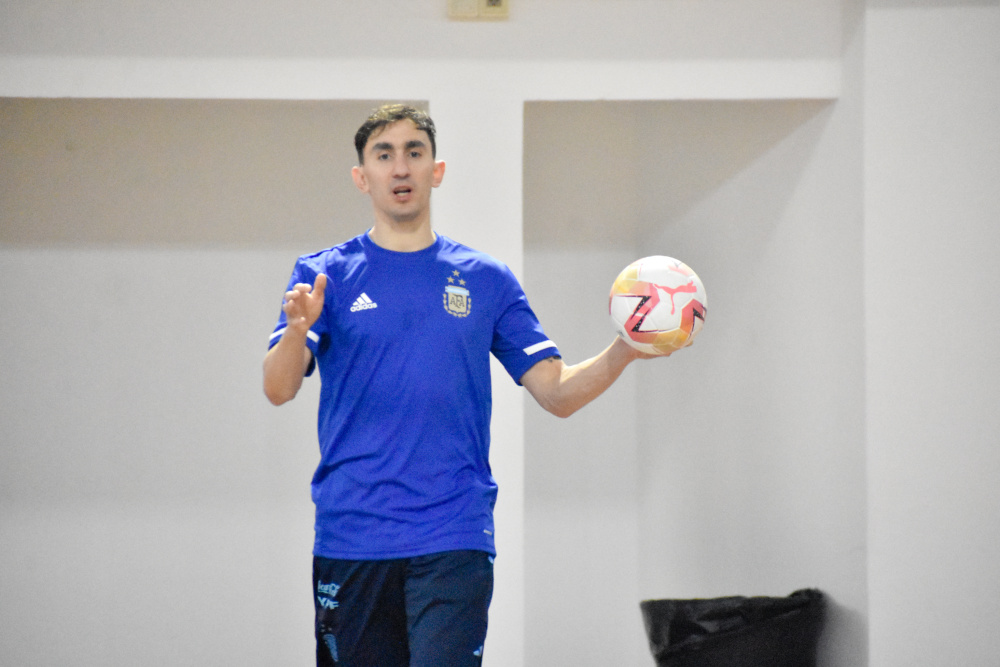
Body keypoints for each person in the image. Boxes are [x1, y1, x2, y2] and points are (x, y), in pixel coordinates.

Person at [263, 104, 662, 666]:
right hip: (353, 535)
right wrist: (297, 330)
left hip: (453, 532)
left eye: (414, 152)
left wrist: (626, 348)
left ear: (436, 170)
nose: (400, 167)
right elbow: (279, 389)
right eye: (384, 155)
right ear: (362, 177)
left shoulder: (486, 279)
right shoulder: (324, 275)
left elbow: (557, 392)